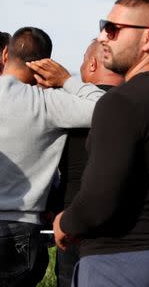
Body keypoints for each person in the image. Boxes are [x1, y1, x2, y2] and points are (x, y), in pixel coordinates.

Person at [52, 0, 149, 287]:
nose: (103, 37)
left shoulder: (119, 102)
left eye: (112, 29)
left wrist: (65, 222)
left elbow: (98, 199)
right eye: (103, 27)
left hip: (117, 262)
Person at [0, 27, 104, 286]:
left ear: (5, 54)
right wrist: (67, 80)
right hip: (21, 226)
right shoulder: (46, 102)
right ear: (44, 63)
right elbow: (104, 108)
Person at [53, 39, 124, 287]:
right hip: (128, 228)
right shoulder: (140, 106)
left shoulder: (71, 107)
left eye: (84, 59)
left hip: (72, 224)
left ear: (92, 63)